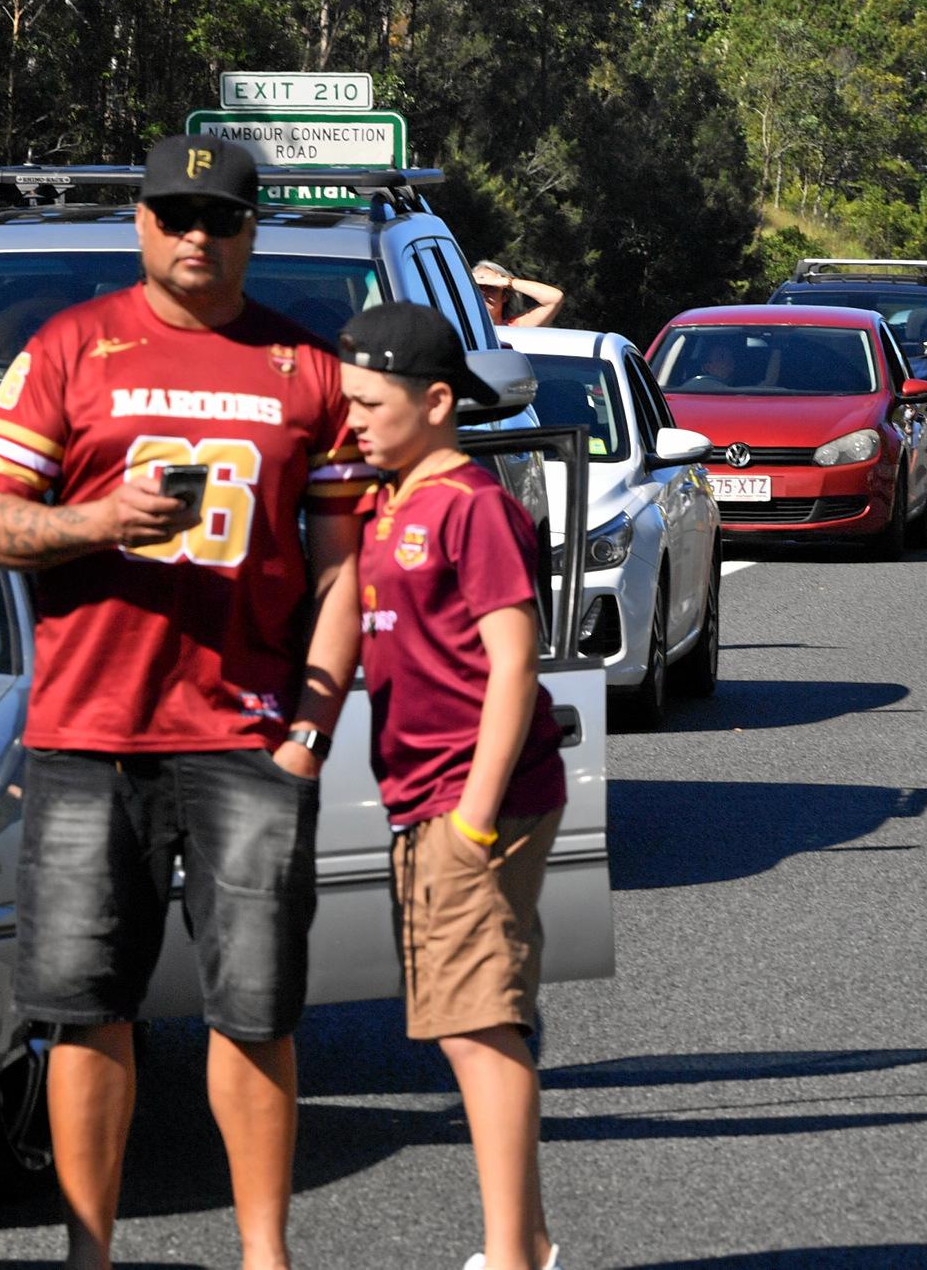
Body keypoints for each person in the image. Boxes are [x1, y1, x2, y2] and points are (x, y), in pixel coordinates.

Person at [0, 134, 372, 1270]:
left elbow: (346, 572)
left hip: (246, 737)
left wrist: (312, 727)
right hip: (87, 733)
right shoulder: (69, 348)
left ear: (252, 230)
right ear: (140, 220)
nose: (199, 234)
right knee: (89, 1006)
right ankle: (91, 1253)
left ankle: (263, 1254)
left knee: (255, 1009)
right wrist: (95, 521)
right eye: (177, 213)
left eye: (223, 217)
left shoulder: (308, 365)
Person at [336, 302, 570, 1270]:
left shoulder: (473, 505)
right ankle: (529, 1242)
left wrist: (472, 822)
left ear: (436, 400)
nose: (350, 420)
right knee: (469, 1021)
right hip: (421, 798)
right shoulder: (390, 499)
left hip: (473, 801)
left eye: (367, 402)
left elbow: (514, 664)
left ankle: (512, 1258)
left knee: (478, 1027)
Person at [472, 260, 564, 330]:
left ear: (505, 296)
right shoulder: (461, 326)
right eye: (477, 287)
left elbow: (554, 298)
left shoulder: (515, 328)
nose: (482, 292)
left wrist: (507, 282)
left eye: (491, 287)